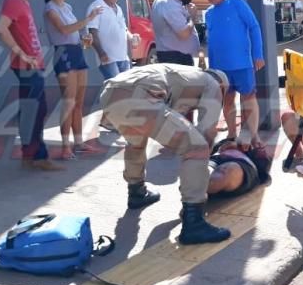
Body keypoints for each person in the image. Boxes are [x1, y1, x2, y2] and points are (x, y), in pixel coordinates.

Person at [99, 63, 231, 244]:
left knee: (136, 141)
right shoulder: (213, 84)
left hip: (110, 94)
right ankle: (194, 223)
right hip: (140, 95)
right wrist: (201, 170)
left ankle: (136, 192)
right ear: (223, 86)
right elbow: (206, 133)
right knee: (197, 148)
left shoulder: (187, 74)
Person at [0, 0, 64, 171]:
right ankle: (38, 157)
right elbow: (0, 28)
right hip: (26, 66)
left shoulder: (23, 3)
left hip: (32, 65)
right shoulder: (14, 2)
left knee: (33, 109)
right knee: (35, 110)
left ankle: (30, 155)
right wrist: (21, 53)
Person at [44, 0, 104, 159]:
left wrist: (85, 39)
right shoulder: (50, 9)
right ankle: (65, 147)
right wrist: (88, 19)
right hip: (63, 55)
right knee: (68, 102)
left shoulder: (67, 7)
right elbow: (64, 29)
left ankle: (79, 143)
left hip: (77, 53)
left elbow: (74, 34)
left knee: (78, 102)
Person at [202, 0, 265, 147]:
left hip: (242, 64)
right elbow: (212, 42)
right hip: (221, 69)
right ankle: (231, 133)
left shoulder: (237, 4)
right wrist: (212, 69)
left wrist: (258, 54)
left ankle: (254, 136)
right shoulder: (208, 13)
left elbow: (254, 27)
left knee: (249, 98)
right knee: (227, 101)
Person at [87, 0, 137, 81]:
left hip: (123, 57)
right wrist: (101, 53)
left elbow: (124, 29)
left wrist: (132, 37)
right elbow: (92, 32)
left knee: (124, 89)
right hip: (108, 59)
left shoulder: (118, 8)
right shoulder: (95, 7)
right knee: (116, 88)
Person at [151, 0, 200, 66]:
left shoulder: (168, 0)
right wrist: (192, 17)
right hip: (175, 59)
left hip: (175, 56)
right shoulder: (169, 4)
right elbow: (184, 34)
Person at [207, 139, 271, 199]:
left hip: (243, 165)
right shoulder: (241, 143)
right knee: (206, 171)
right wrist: (231, 144)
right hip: (216, 158)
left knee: (227, 171)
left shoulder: (256, 163)